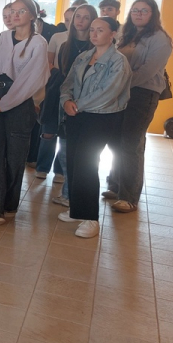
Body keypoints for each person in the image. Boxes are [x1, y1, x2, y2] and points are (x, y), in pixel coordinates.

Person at [0, 0, 49, 227]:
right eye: (13, 11)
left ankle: (8, 205)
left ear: (32, 15)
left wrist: (6, 103)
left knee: (14, 158)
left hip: (20, 105)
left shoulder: (38, 43)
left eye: (21, 11)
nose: (15, 15)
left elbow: (31, 80)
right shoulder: (3, 38)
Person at [57, 17, 131, 239]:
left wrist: (77, 105)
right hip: (76, 115)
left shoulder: (118, 61)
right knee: (73, 161)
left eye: (100, 30)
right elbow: (68, 83)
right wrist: (66, 101)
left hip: (101, 117)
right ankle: (77, 210)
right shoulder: (83, 56)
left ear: (113, 34)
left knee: (86, 164)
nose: (94, 34)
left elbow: (108, 93)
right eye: (92, 30)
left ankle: (90, 218)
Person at [104, 0, 173, 212]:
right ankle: (115, 185)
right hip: (119, 92)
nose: (139, 14)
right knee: (116, 140)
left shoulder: (160, 38)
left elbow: (148, 70)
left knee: (131, 143)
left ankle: (129, 196)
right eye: (135, 10)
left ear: (153, 14)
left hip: (143, 93)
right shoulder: (126, 33)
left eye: (144, 10)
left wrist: (119, 84)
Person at [41, 4, 96, 204]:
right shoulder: (65, 45)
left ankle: (76, 196)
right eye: (77, 16)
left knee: (83, 152)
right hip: (64, 99)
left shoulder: (97, 46)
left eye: (86, 17)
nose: (80, 20)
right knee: (64, 147)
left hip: (88, 103)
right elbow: (63, 74)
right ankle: (67, 194)